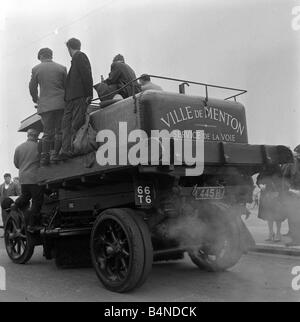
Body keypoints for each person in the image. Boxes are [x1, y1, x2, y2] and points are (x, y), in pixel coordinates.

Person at [29, 48, 67, 165]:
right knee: (59, 131)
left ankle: (45, 158)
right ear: (51, 55)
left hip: (45, 106)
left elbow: (32, 87)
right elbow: (67, 86)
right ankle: (56, 155)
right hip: (60, 104)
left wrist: (36, 99)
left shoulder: (36, 69)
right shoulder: (62, 68)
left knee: (47, 132)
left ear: (41, 56)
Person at [57, 38, 93, 161]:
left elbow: (86, 75)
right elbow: (87, 75)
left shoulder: (79, 57)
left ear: (69, 48)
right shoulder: (79, 57)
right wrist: (89, 94)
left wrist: (88, 94)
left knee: (69, 124)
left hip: (75, 97)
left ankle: (68, 149)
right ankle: (70, 149)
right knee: (73, 123)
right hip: (75, 97)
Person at [14, 129, 44, 231]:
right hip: (34, 178)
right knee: (37, 201)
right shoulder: (38, 146)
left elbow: (17, 164)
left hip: (23, 178)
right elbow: (43, 160)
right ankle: (32, 225)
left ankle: (14, 205)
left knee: (25, 196)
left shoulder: (19, 147)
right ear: (36, 136)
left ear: (28, 135)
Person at [257, 166, 286, 242]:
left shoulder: (277, 168)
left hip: (276, 193)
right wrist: (260, 184)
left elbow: (281, 181)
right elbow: (259, 178)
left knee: (277, 215)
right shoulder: (264, 167)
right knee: (269, 214)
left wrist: (278, 192)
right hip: (266, 193)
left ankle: (278, 233)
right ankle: (271, 233)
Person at [281, 145, 300, 245]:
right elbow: (285, 178)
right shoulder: (291, 163)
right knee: (293, 217)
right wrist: (289, 190)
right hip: (293, 194)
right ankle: (296, 239)